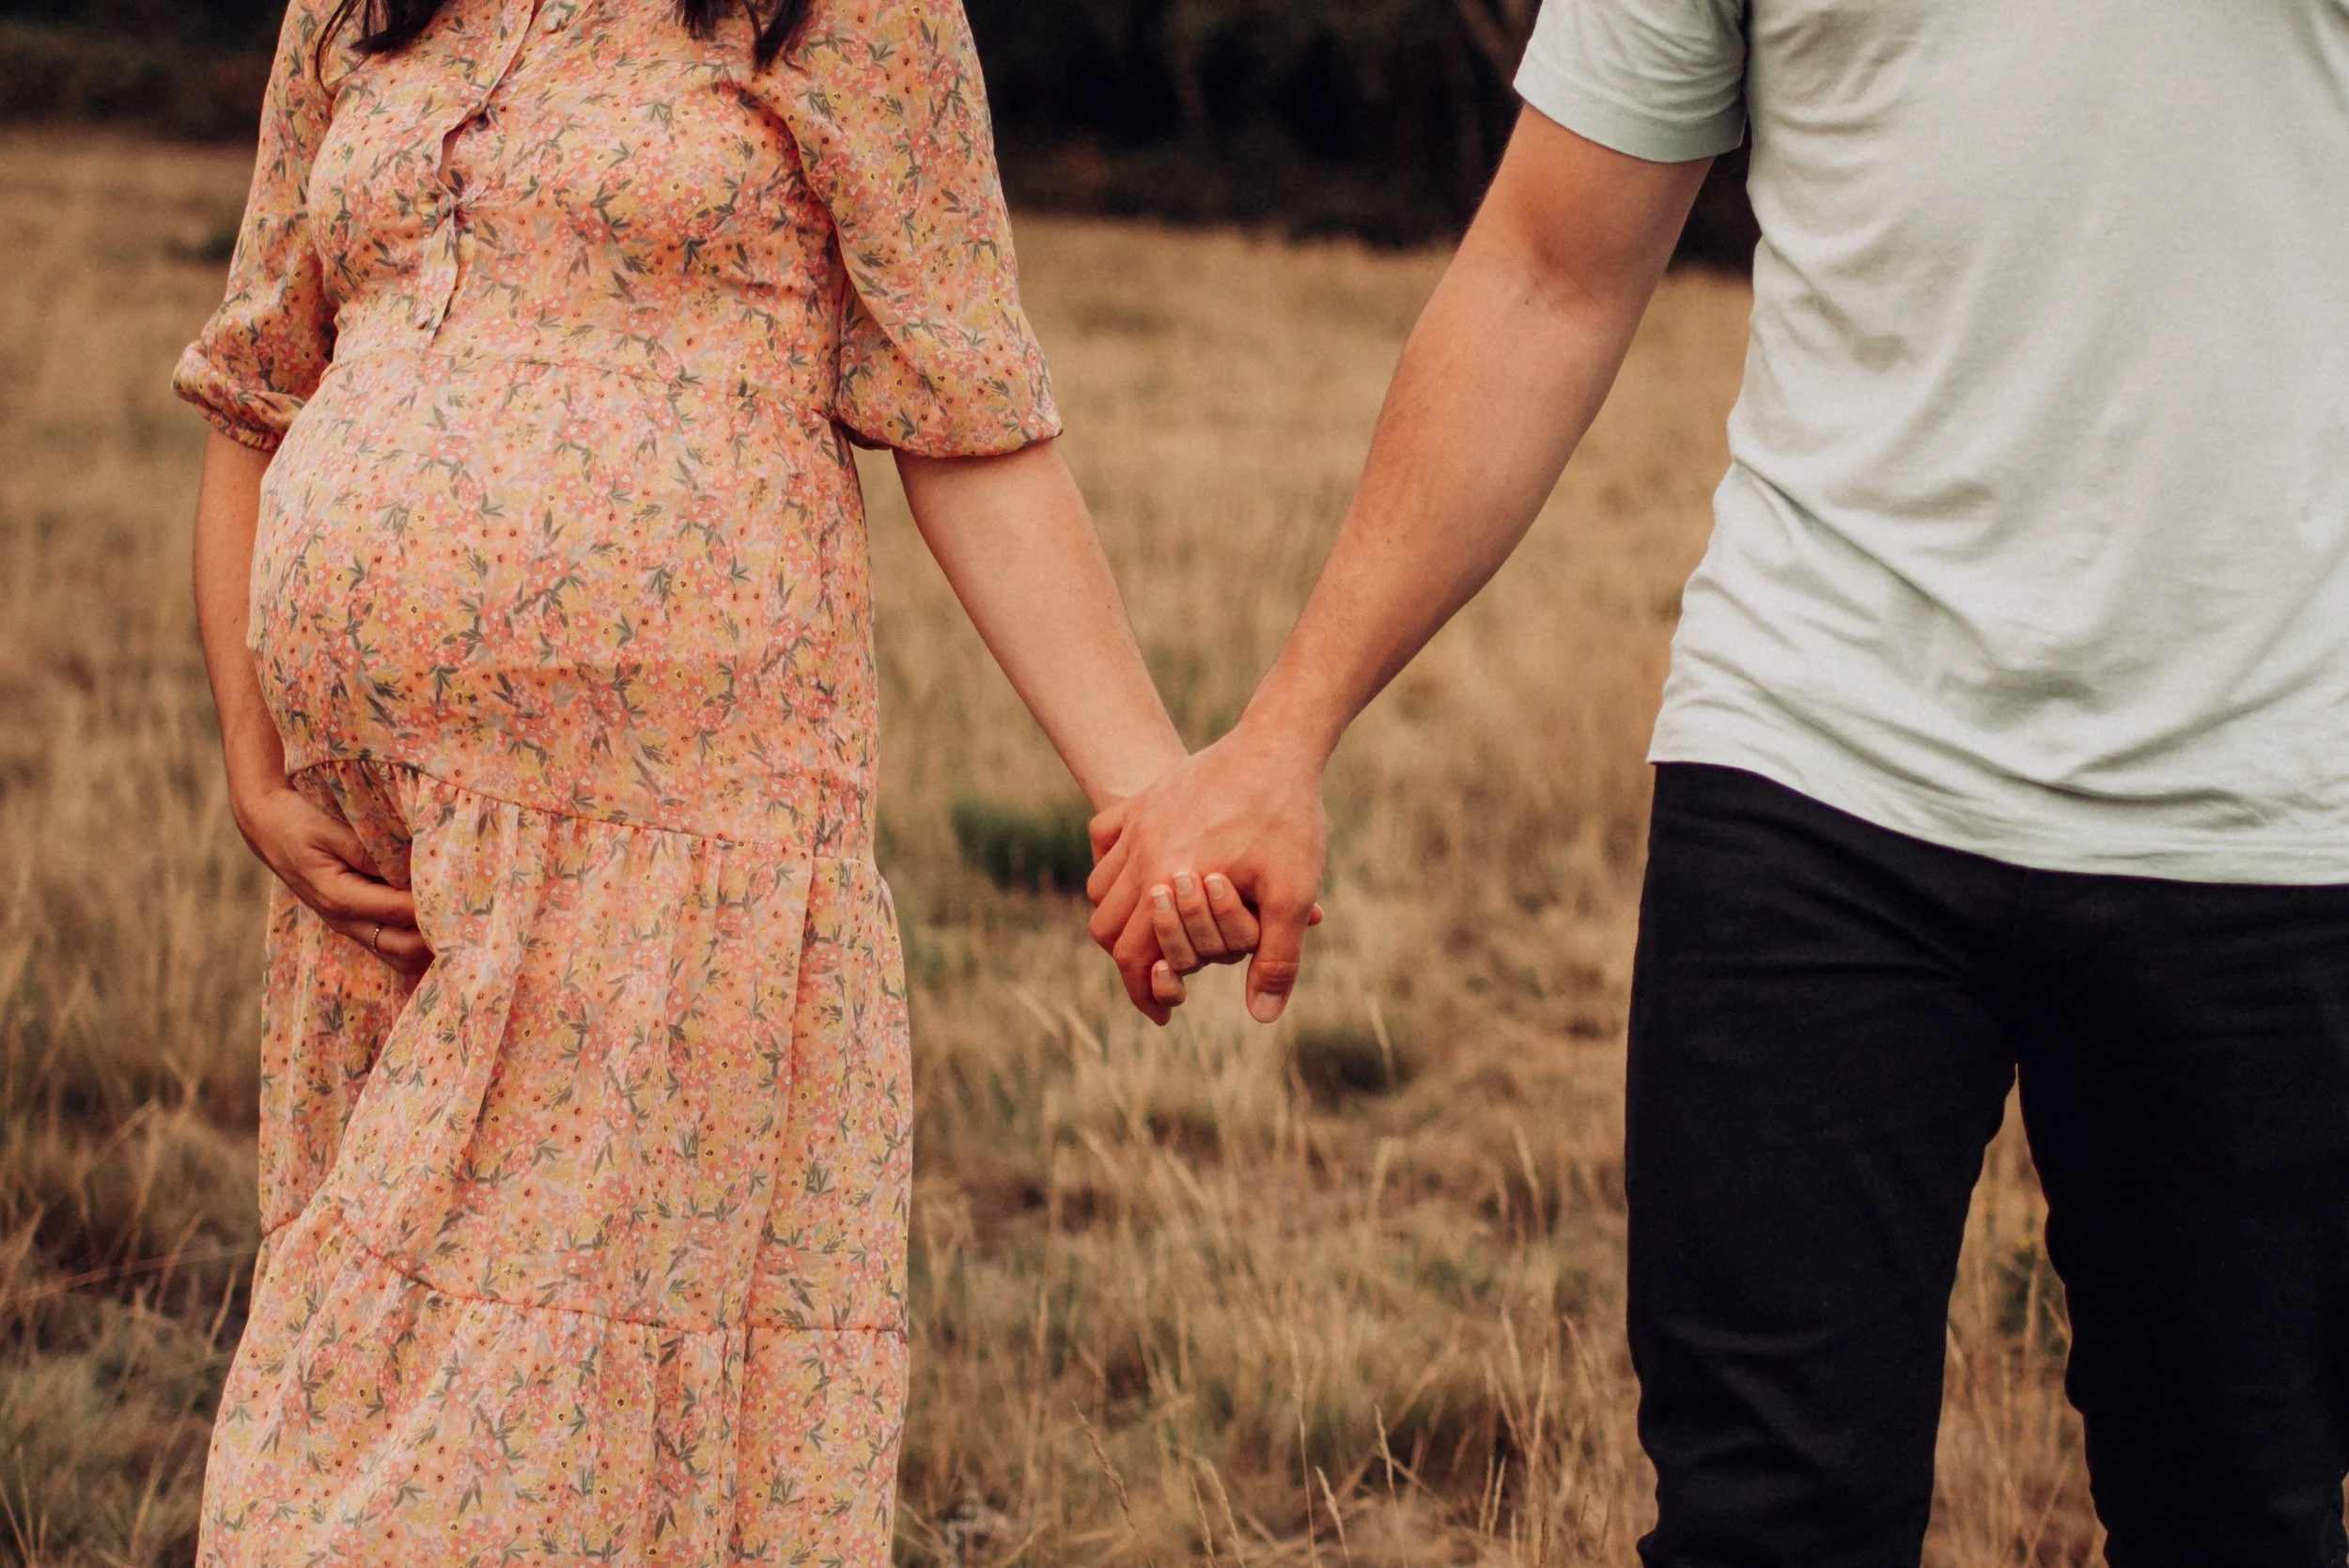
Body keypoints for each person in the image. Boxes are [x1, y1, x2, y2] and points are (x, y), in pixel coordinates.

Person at [1090, 0, 2349, 1562]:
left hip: (2269, 810)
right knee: (1765, 1525)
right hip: (1815, 768)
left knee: (2240, 1515)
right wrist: (1287, 728)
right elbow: (1548, 268)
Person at [173, 0, 1257, 1557]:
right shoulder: (352, 12)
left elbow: (969, 421)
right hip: (384, 886)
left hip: (666, 872)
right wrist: (252, 752)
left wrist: (1156, 800)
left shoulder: (851, 16)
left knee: (473, 1478)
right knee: (364, 1410)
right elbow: (261, 382)